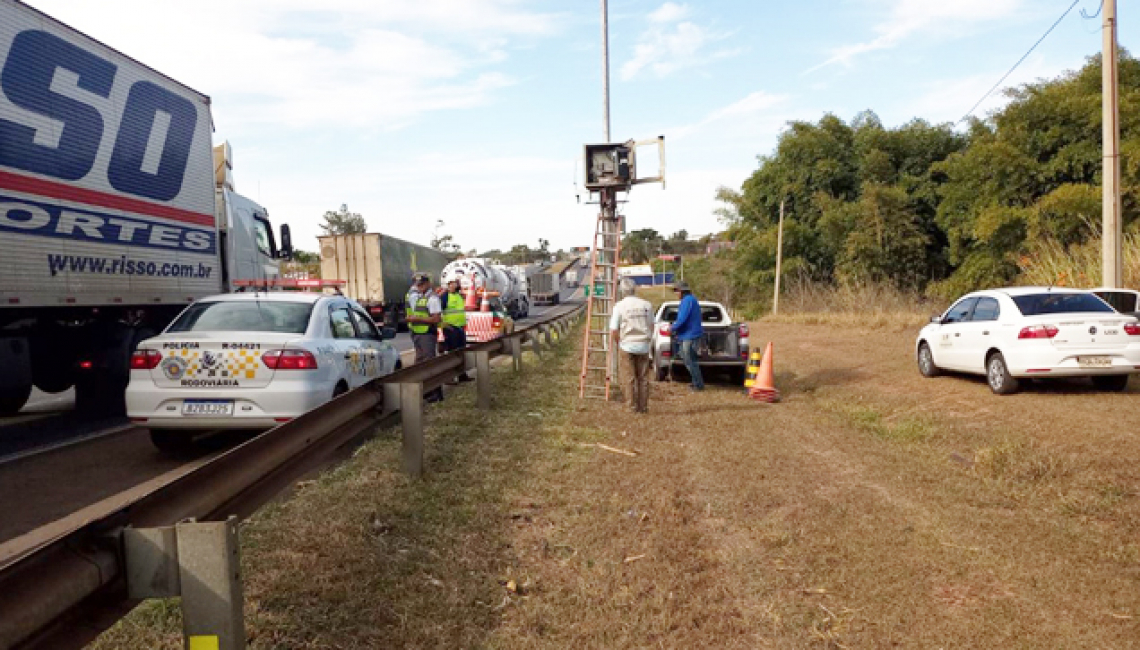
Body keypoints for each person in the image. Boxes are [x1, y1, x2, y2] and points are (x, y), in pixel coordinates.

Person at [610, 280, 654, 413]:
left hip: (627, 344)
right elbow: (651, 325)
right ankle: (643, 407)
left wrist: (619, 343)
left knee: (628, 378)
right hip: (643, 345)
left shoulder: (619, 306)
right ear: (635, 289)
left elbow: (614, 330)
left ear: (622, 291)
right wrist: (647, 339)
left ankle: (630, 406)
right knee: (643, 378)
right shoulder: (646, 305)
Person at [407, 273, 444, 402]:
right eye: (418, 285)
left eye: (422, 284)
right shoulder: (419, 297)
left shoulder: (432, 298)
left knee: (430, 364)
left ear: (428, 283)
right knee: (420, 364)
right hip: (417, 333)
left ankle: (436, 392)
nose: (420, 287)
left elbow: (436, 318)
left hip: (427, 334)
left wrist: (417, 318)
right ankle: (426, 391)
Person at [671, 280, 704, 391]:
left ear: (681, 291)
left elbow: (682, 319)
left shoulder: (688, 301)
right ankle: (696, 382)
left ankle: (698, 384)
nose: (676, 293)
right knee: (690, 360)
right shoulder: (689, 300)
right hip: (687, 335)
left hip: (690, 335)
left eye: (677, 290)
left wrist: (672, 328)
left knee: (690, 361)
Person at [440, 278, 473, 383]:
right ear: (449, 285)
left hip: (460, 328)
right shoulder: (445, 296)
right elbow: (437, 311)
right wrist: (443, 325)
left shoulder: (459, 295)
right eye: (454, 283)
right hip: (450, 328)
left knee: (461, 352)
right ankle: (449, 377)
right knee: (452, 353)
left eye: (457, 283)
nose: (456, 285)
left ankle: (462, 375)